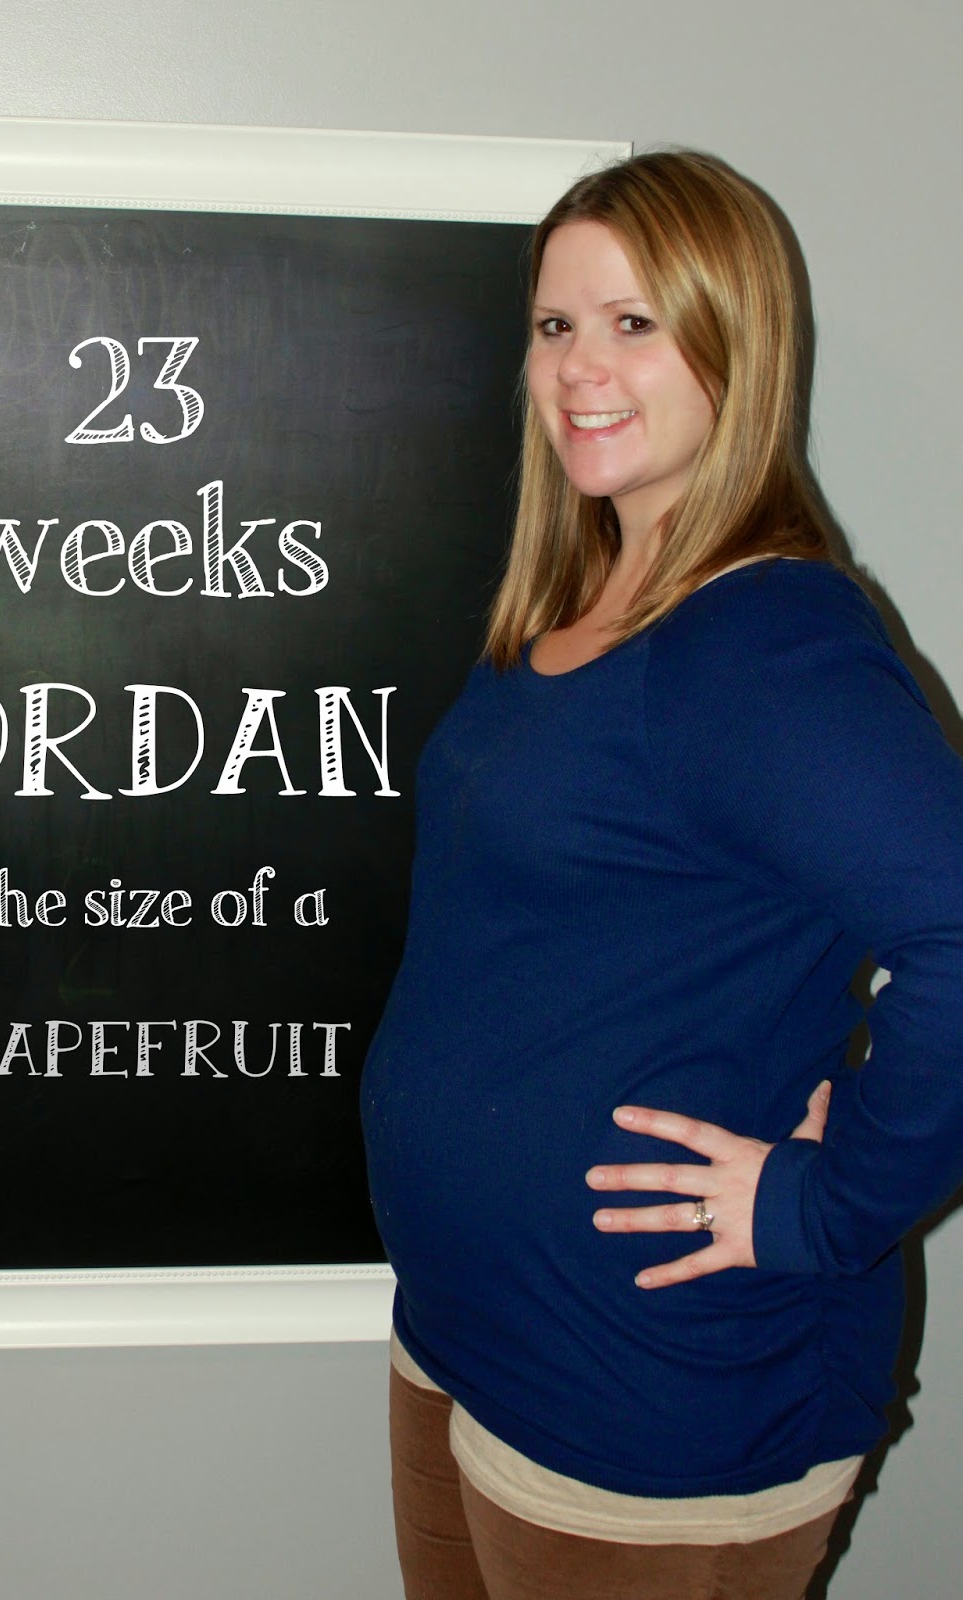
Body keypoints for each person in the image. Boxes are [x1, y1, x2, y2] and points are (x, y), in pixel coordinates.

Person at [360, 148, 963, 1600]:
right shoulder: (574, 598)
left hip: (651, 1402)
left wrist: (823, 1206)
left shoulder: (766, 644)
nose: (581, 367)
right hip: (465, 1336)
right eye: (556, 324)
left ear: (735, 344)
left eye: (635, 323)